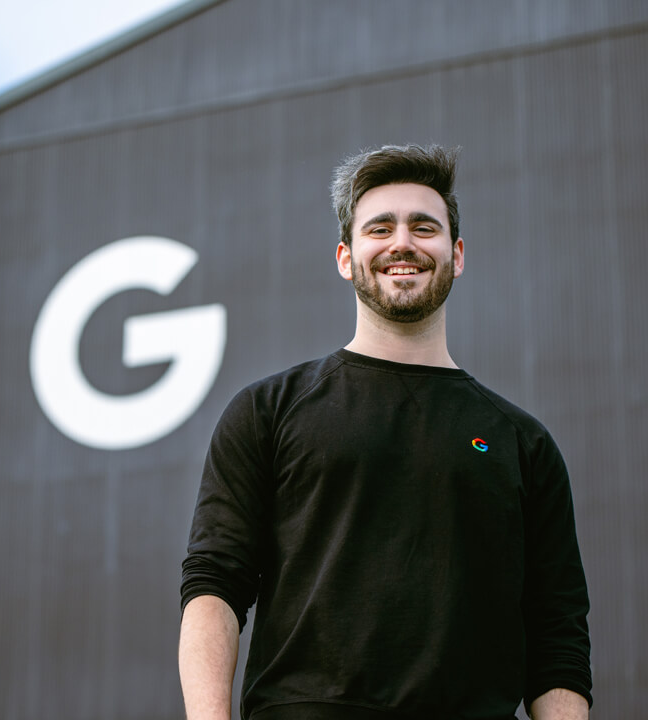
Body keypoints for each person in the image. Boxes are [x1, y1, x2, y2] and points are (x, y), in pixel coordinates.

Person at [178, 144, 591, 720]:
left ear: (457, 254)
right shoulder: (266, 412)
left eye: (425, 227)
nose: (403, 243)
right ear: (347, 258)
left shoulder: (524, 444)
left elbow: (557, 638)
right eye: (380, 227)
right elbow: (214, 584)